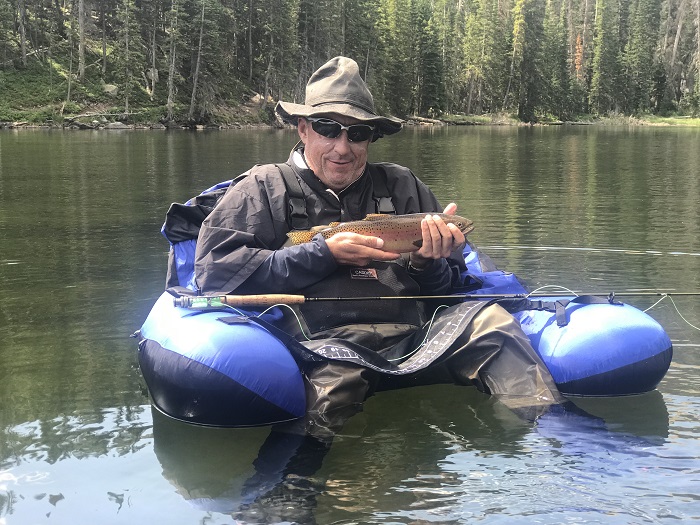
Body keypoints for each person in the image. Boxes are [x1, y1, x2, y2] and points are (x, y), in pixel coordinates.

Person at [194, 56, 565, 424]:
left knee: (493, 323)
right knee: (328, 400)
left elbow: (450, 290)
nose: (343, 147)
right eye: (328, 128)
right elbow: (215, 273)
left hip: (421, 336)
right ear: (303, 129)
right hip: (323, 347)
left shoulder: (402, 185)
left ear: (371, 137)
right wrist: (322, 254)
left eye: (357, 133)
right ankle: (301, 476)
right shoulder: (263, 186)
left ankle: (561, 441)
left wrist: (427, 262)